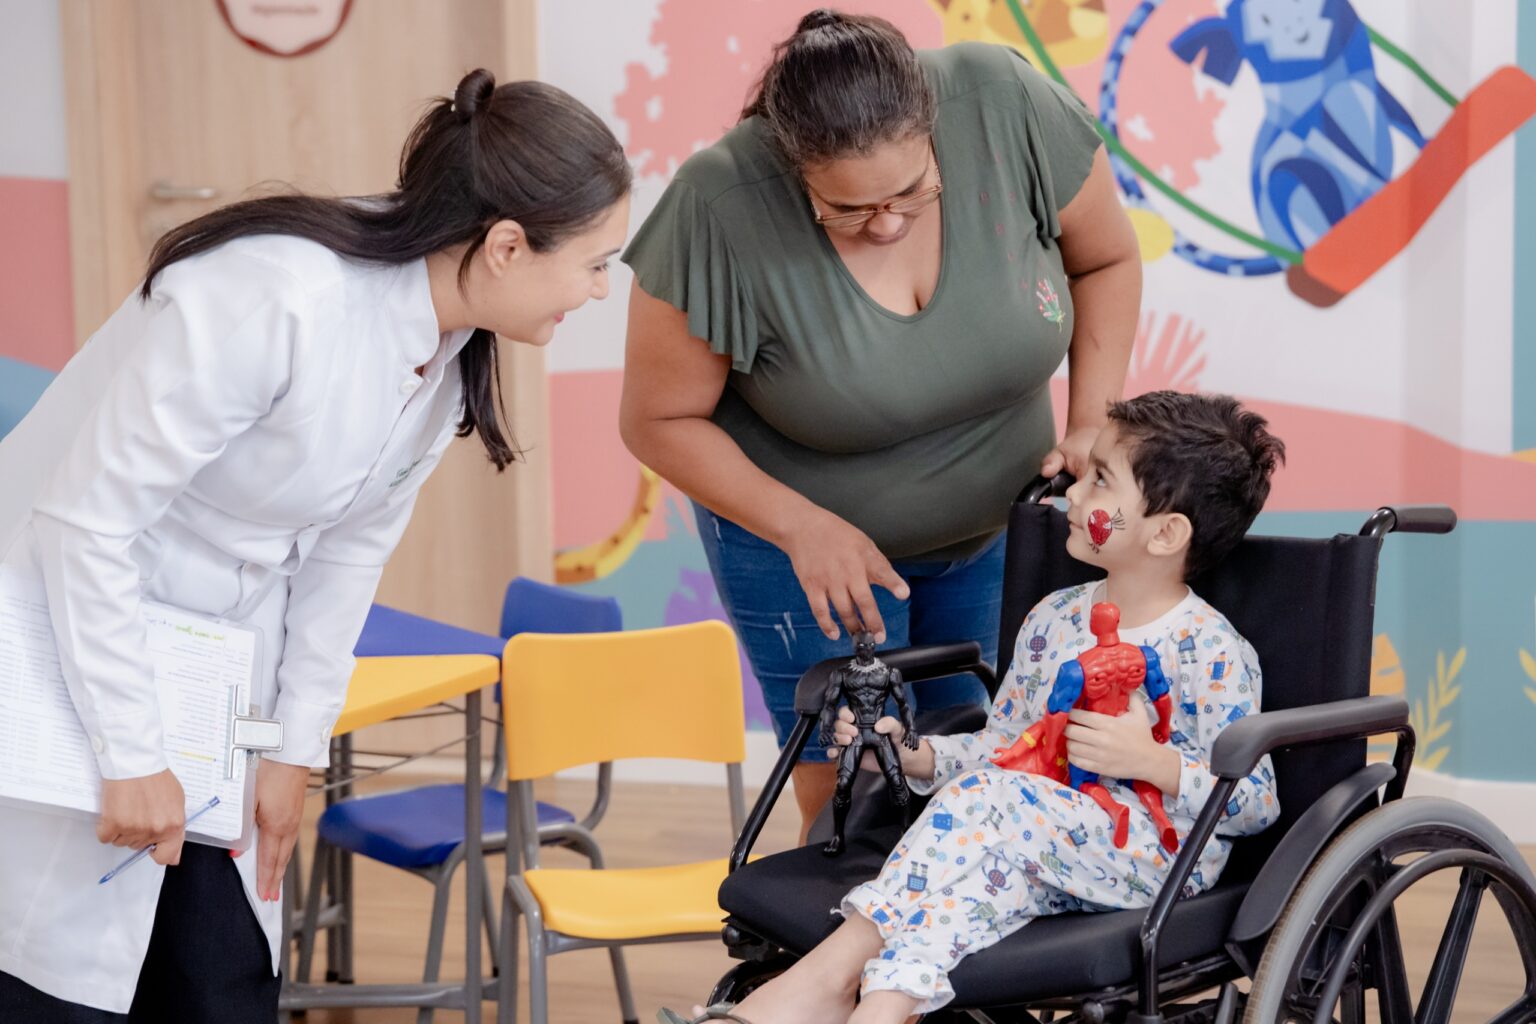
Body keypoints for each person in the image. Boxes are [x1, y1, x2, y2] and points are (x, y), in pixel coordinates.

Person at [0, 70, 630, 1022]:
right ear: (506, 246)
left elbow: (344, 560)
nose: (598, 289)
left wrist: (295, 748)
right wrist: (127, 751)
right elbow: (87, 524)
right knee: (64, 977)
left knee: (219, 975)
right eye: (595, 264)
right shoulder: (275, 297)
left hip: (211, 680)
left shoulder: (444, 354)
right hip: (74, 636)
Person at [619, 9, 1141, 837]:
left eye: (911, 193)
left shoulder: (1004, 104)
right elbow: (658, 420)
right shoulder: (718, 206)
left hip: (996, 533)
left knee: (985, 765)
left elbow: (1106, 258)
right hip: (804, 552)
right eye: (849, 208)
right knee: (858, 796)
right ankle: (839, 926)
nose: (889, 223)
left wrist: (1090, 423)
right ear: (794, 168)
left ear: (933, 128)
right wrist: (801, 526)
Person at [662, 390, 1286, 1023]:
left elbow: (1257, 802)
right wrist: (911, 754)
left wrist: (1153, 762)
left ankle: (819, 981)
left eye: (1101, 480)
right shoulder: (1053, 619)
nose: (1073, 493)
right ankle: (880, 1010)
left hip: (1155, 857)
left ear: (1166, 533)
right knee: (956, 897)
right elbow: (1005, 751)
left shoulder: (1210, 649)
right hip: (1033, 843)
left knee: (988, 806)